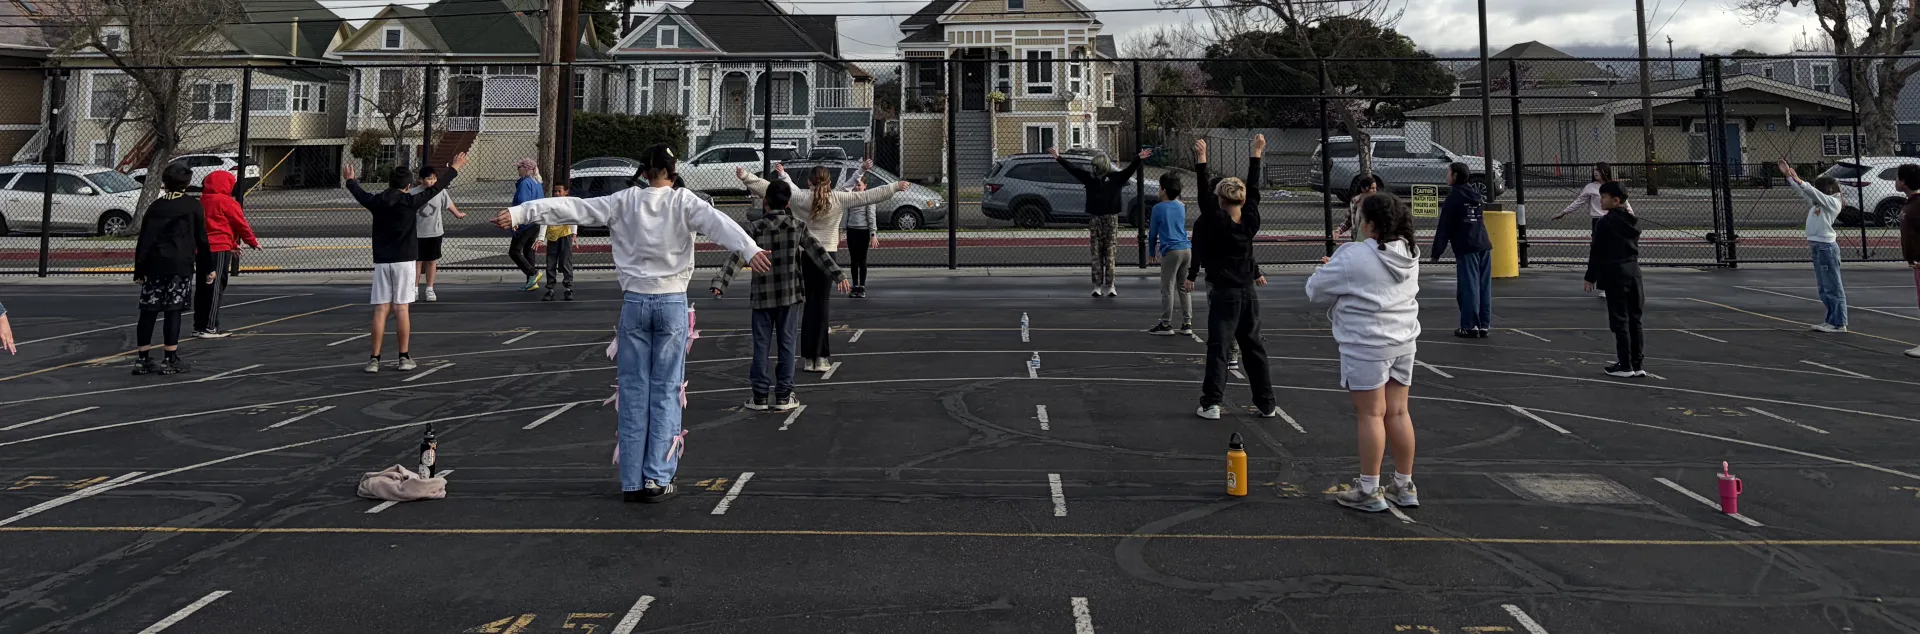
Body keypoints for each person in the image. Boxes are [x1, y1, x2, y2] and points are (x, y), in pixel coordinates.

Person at [499, 144, 770, 504]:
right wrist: (751, 250)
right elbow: (720, 226)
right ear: (673, 172)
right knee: (667, 390)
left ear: (644, 171)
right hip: (672, 302)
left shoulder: (624, 200)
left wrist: (521, 212)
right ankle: (657, 477)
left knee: (633, 391)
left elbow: (573, 207)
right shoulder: (684, 201)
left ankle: (631, 479)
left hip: (635, 304)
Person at [1307, 192, 1422, 513]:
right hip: (1404, 340)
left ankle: (1370, 488)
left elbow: (1315, 290)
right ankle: (1403, 483)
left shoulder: (1353, 255)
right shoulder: (1410, 252)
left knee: (1371, 414)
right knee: (1398, 412)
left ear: (1370, 224)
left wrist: (1332, 268)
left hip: (1367, 343)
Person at [739, 163, 903, 372]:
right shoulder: (838, 198)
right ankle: (821, 357)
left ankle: (808, 358)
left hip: (805, 255)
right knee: (822, 306)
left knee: (808, 306)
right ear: (829, 182)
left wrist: (746, 176)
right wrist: (895, 186)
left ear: (809, 182)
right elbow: (868, 196)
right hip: (828, 256)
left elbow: (770, 188)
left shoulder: (800, 198)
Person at [711, 179, 850, 412]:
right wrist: (838, 274)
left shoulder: (755, 228)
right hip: (790, 294)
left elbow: (737, 257)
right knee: (787, 344)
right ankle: (784, 395)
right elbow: (818, 251)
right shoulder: (797, 226)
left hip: (762, 295)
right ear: (787, 203)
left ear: (765, 202)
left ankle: (759, 396)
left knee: (761, 345)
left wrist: (720, 283)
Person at [344, 153, 467, 374]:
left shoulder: (378, 202)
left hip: (382, 261)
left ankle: (374, 359)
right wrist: (454, 168)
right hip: (405, 261)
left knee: (381, 309)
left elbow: (360, 194)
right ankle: (403, 357)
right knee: (402, 308)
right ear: (409, 186)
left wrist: (351, 180)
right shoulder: (411, 201)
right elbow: (436, 189)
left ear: (389, 183)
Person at [1186, 136, 1278, 421]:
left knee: (1219, 348)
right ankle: (1267, 403)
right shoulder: (1250, 222)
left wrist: (1201, 161)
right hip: (1248, 293)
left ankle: (1212, 403)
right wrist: (1256, 155)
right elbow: (1254, 192)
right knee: (1254, 348)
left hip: (1224, 293)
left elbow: (1204, 198)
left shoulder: (1218, 223)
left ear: (1220, 200)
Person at [132, 164, 214, 376]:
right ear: (187, 183)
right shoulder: (192, 206)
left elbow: (144, 239)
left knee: (148, 310)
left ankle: (143, 358)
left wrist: (139, 268)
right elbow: (201, 239)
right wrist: (208, 267)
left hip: (154, 265)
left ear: (164, 182)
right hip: (180, 264)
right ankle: (170, 358)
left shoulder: (155, 207)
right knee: (173, 309)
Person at [1052, 146, 1154, 297]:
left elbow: (1129, 170)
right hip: (1098, 218)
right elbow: (1073, 169)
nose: (1093, 169)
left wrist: (1138, 159)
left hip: (1109, 218)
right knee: (1097, 252)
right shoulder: (1091, 178)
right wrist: (1059, 158)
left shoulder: (1114, 178)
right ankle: (1097, 285)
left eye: (1095, 166)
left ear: (1100, 167)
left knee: (1109, 252)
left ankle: (1110, 285)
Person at [1777, 161, 1847, 333]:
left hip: (1826, 248)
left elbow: (1810, 190)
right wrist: (1789, 177)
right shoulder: (1818, 203)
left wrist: (1800, 180)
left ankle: (1839, 322)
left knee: (1832, 285)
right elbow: (1804, 192)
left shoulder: (1832, 202)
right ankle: (1831, 319)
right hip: (1817, 246)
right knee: (1824, 287)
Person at [1587, 182, 1645, 378]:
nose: (1600, 200)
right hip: (1634, 272)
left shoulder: (1605, 223)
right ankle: (1637, 363)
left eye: (1603, 197)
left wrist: (1590, 276)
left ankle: (1625, 364)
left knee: (1619, 319)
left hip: (1615, 273)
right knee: (1635, 319)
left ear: (1615, 200)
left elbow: (1597, 251)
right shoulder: (1633, 221)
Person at [192, 169, 258, 339]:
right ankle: (210, 326)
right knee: (216, 287)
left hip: (201, 249)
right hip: (219, 248)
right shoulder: (227, 202)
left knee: (202, 286)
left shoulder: (201, 201)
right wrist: (252, 241)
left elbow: (210, 226)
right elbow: (239, 224)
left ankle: (199, 325)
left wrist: (233, 243)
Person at [1551, 162, 1631, 298]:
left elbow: (1626, 203)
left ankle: (1620, 284)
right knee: (1600, 254)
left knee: (1616, 254)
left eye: (1598, 170)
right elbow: (1578, 202)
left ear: (1605, 171)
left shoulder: (1613, 186)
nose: (1595, 172)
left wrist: (1631, 219)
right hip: (1598, 222)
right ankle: (1605, 287)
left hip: (1614, 221)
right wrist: (1563, 212)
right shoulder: (1590, 187)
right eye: (1594, 170)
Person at [1431, 162, 1492, 338]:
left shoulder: (1453, 199)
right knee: (1483, 286)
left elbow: (1444, 227)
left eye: (1448, 173)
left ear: (1455, 176)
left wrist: (1436, 253)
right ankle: (1484, 324)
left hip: (1466, 246)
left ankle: (1470, 325)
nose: (1446, 176)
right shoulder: (1476, 195)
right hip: (1483, 243)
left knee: (1469, 287)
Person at [1146, 171, 1192, 336]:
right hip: (1186, 248)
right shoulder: (1181, 206)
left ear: (1164, 190)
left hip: (1171, 250)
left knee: (1167, 287)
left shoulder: (1158, 208)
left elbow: (1153, 233)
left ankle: (1166, 324)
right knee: (1183, 287)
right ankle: (1187, 323)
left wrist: (1151, 251)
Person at [413, 166, 466, 303]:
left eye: (434, 179)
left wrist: (458, 214)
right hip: (417, 234)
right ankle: (414, 288)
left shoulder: (440, 192)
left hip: (434, 233)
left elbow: (448, 204)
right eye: (428, 179)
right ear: (421, 180)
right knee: (417, 262)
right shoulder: (413, 193)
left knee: (431, 261)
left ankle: (429, 288)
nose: (432, 182)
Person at [840, 162, 879, 299]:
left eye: (859, 185)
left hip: (863, 231)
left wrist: (873, 234)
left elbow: (871, 217)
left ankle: (862, 286)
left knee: (862, 259)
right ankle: (855, 285)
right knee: (853, 259)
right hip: (852, 230)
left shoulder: (868, 198)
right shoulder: (850, 198)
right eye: (855, 185)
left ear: (865, 186)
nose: (857, 187)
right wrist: (842, 230)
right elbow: (846, 214)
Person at [509, 158, 545, 292]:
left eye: (519, 167)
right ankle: (531, 281)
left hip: (525, 223)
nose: (517, 169)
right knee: (528, 250)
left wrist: (515, 220)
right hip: (535, 222)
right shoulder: (537, 182)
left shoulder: (525, 183)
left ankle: (532, 273)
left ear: (526, 169)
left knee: (514, 251)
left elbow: (522, 204)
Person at [1898, 164, 1920, 359]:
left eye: (1897, 178)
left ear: (1903, 181)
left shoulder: (1918, 204)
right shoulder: (1910, 203)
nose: (1895, 182)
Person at [543, 183, 578, 302]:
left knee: (566, 261)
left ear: (566, 192)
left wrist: (574, 234)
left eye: (559, 191)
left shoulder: (569, 204)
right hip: (552, 236)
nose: (557, 193)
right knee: (551, 262)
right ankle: (550, 289)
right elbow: (544, 221)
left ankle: (568, 288)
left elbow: (574, 219)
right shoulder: (551, 204)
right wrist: (540, 238)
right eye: (555, 191)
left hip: (565, 235)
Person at [1334, 173, 1384, 240]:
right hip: (1358, 238)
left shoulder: (1378, 202)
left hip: (1372, 239)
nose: (1375, 191)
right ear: (1363, 189)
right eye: (1372, 188)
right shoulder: (1355, 201)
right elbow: (1349, 220)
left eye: (1375, 188)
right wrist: (1339, 230)